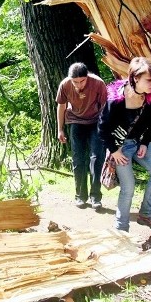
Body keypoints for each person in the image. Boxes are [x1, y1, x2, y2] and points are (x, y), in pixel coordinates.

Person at [98, 57, 151, 232]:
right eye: (149, 80)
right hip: (120, 147)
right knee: (128, 186)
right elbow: (102, 128)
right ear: (135, 78)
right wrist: (114, 151)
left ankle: (145, 215)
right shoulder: (115, 100)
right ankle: (121, 228)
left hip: (138, 142)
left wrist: (144, 143)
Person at [56, 62, 108, 210]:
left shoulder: (98, 83)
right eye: (75, 82)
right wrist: (60, 129)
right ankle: (80, 196)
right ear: (70, 79)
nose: (79, 85)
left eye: (82, 81)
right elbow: (61, 106)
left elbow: (105, 107)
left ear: (87, 76)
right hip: (76, 121)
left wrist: (105, 128)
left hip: (95, 121)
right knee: (78, 159)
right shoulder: (65, 85)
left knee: (96, 158)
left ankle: (95, 196)